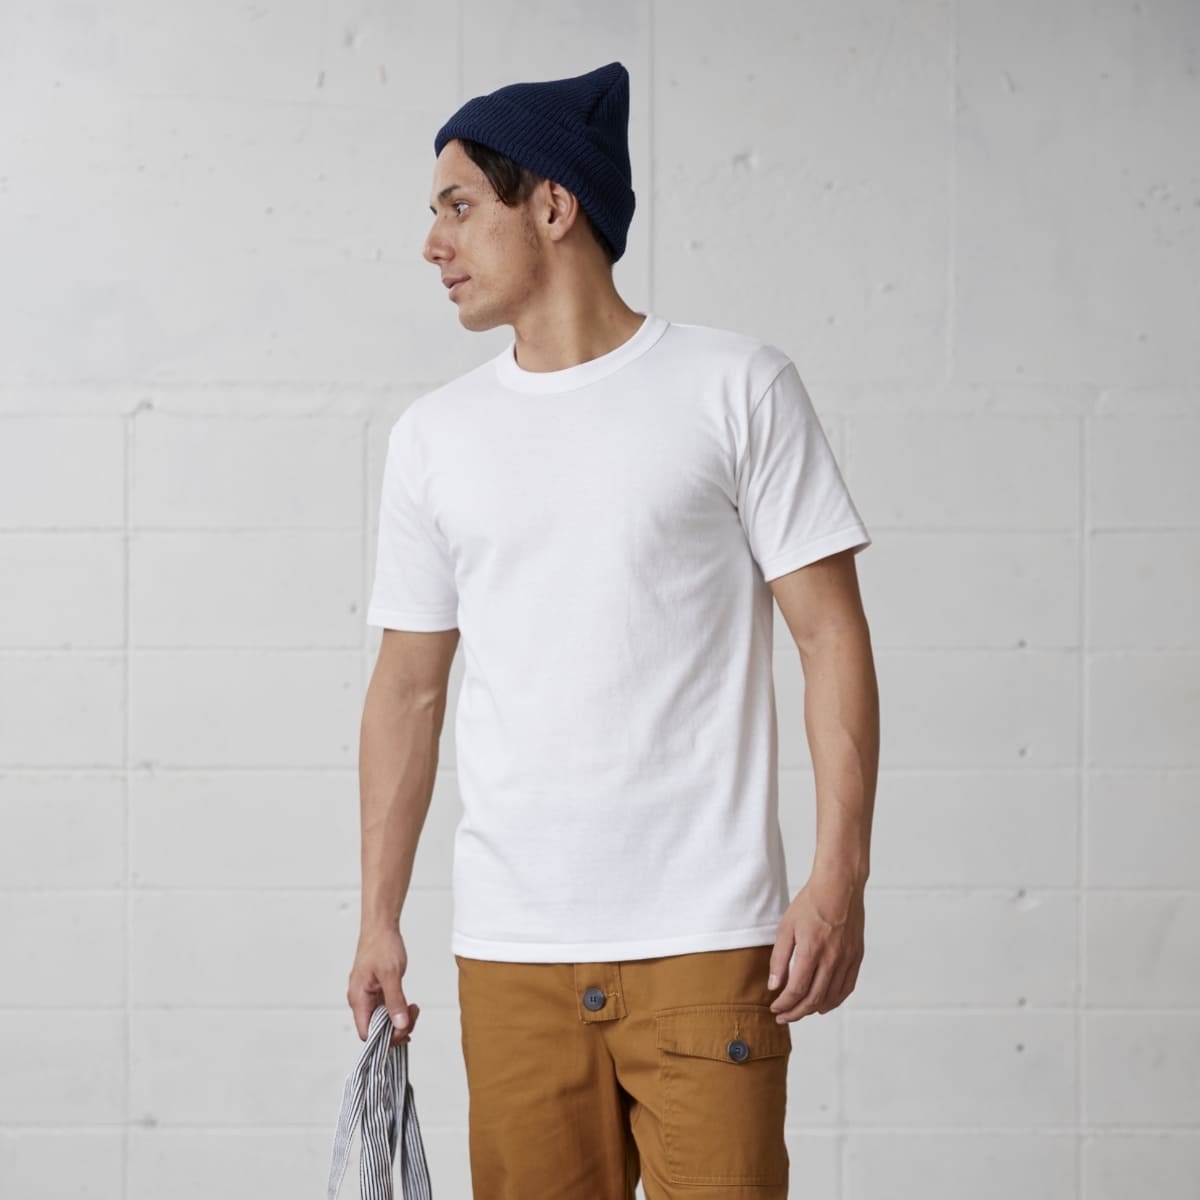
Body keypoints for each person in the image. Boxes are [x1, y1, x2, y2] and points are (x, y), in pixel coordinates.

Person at [346, 60, 879, 1200]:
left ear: (553, 203)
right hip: (512, 956)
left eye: (458, 207)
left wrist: (839, 877)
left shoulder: (737, 386)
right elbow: (407, 690)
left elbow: (831, 639)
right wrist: (378, 918)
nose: (433, 244)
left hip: (710, 942)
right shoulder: (434, 438)